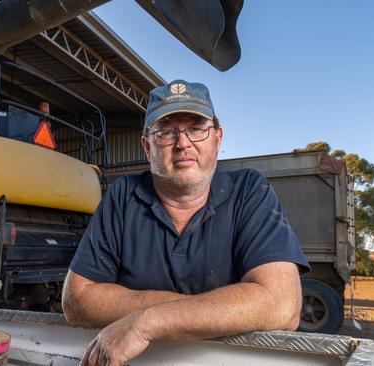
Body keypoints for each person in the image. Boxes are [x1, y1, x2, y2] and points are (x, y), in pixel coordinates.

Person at [62, 79, 310, 366]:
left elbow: (281, 304)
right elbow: (77, 300)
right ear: (147, 146)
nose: (182, 143)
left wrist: (146, 322)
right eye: (166, 132)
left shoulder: (249, 191)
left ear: (217, 138)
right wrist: (219, 308)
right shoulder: (123, 195)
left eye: (196, 128)